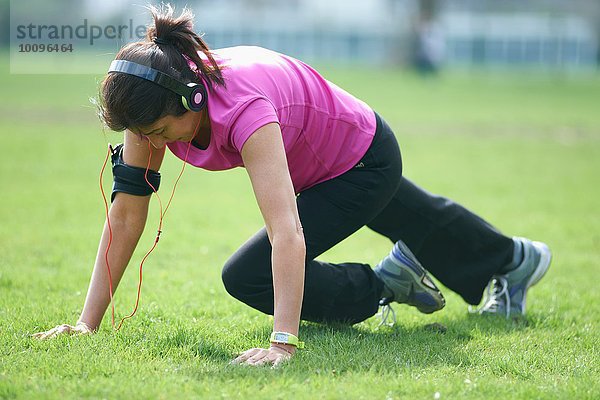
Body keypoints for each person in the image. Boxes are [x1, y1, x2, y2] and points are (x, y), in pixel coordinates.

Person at [32, 5, 552, 366]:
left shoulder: (242, 112)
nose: (152, 144)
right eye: (142, 135)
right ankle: (512, 259)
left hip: (363, 158)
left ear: (191, 100)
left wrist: (283, 343)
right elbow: (125, 214)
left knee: (250, 275)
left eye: (160, 133)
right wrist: (87, 324)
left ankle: (386, 285)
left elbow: (286, 233)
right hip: (328, 152)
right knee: (415, 218)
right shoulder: (150, 102)